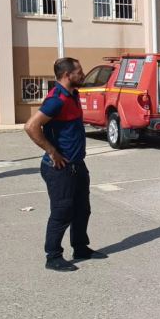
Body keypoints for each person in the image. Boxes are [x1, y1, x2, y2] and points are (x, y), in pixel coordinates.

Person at [24, 57, 107, 272]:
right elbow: (31, 126)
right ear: (67, 75)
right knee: (62, 212)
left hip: (77, 165)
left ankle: (80, 247)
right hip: (59, 168)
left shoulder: (74, 94)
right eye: (79, 71)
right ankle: (53, 257)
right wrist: (52, 152)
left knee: (82, 209)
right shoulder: (56, 100)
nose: (83, 74)